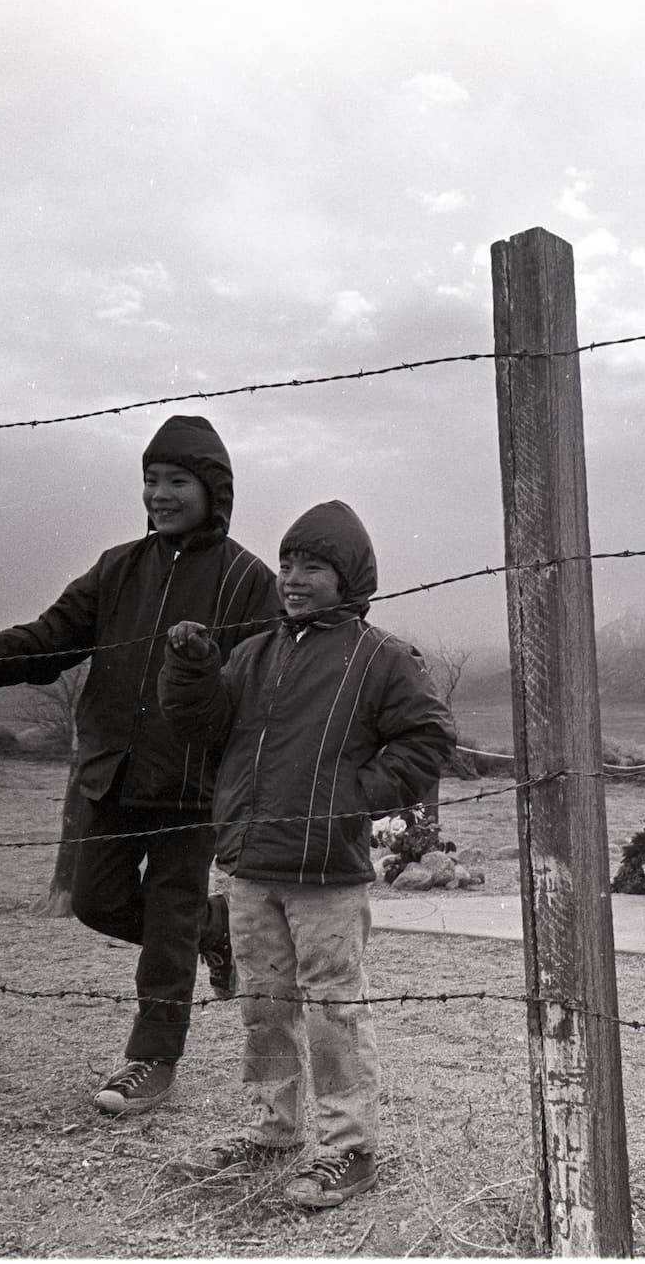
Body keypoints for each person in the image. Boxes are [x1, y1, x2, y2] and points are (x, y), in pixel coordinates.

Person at [0, 414, 279, 1118]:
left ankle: (152, 1058)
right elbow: (51, 637)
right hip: (111, 771)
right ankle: (212, 926)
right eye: (150, 480)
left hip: (192, 784)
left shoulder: (246, 581)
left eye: (176, 481)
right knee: (95, 900)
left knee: (166, 915)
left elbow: (258, 683)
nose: (159, 494)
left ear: (213, 489)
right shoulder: (117, 568)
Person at [158, 499, 456, 1210]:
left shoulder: (380, 656)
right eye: (288, 561)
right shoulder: (254, 652)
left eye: (313, 565)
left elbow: (428, 738)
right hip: (252, 863)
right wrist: (192, 668)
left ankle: (347, 1146)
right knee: (263, 1005)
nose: (292, 577)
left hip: (326, 871)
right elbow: (200, 725)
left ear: (348, 576)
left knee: (332, 1009)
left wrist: (354, 794)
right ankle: (273, 1128)